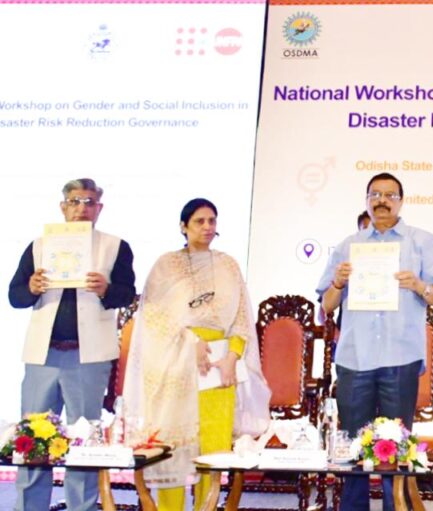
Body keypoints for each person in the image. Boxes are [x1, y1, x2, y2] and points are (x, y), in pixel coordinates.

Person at [122, 198, 270, 510]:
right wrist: (191, 341)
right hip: (175, 364)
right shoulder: (166, 265)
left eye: (212, 221)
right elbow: (154, 316)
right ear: (183, 226)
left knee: (213, 451)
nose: (207, 227)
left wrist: (232, 357)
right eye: (199, 221)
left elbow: (242, 318)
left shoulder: (228, 265)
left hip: (218, 368)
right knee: (173, 448)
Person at [317, 173, 433, 511]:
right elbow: (327, 306)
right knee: (352, 450)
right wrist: (338, 283)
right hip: (354, 358)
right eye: (375, 194)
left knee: (396, 449)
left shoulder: (423, 242)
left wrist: (418, 286)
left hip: (399, 358)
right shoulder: (348, 246)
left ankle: (396, 507)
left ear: (401, 202)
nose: (382, 201)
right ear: (366, 200)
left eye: (390, 195)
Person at [8, 178, 136, 511]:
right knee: (33, 441)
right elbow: (15, 296)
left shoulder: (115, 246)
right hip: (43, 356)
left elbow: (127, 294)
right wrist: (31, 287)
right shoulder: (39, 246)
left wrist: (107, 289)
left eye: (89, 202)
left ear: (99, 208)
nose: (82, 208)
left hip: (87, 359)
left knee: (84, 445)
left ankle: (83, 507)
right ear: (63, 206)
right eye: (75, 201)